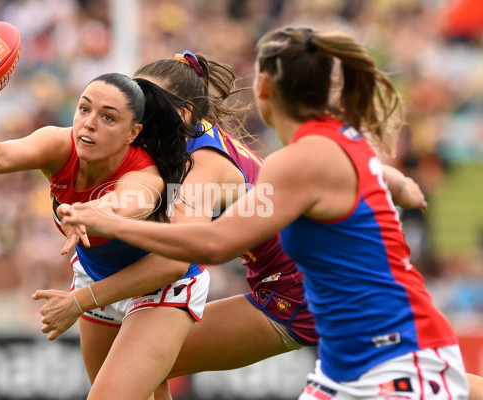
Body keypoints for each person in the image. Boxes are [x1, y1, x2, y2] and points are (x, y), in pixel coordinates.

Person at [62, 28, 476, 399]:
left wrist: (107, 230)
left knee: (137, 366)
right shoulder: (328, 145)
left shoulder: (217, 165)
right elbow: (361, 173)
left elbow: (204, 246)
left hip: (312, 305)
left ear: (263, 89)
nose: (133, 104)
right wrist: (398, 185)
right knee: (141, 365)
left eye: (146, 100)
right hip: (345, 332)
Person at [0, 72, 211, 400]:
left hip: (161, 283)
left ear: (133, 133)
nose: (89, 123)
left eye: (108, 117)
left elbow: (125, 205)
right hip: (97, 275)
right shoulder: (60, 144)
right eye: (84, 109)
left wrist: (87, 215)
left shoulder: (144, 174)